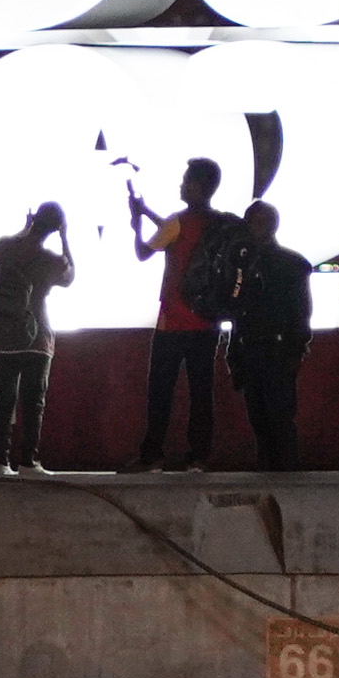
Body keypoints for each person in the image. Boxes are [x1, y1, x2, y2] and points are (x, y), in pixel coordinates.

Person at [125, 156, 228, 476]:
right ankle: (198, 458)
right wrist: (149, 213)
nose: (181, 185)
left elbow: (144, 252)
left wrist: (137, 223)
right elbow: (178, 234)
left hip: (173, 320)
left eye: (186, 181)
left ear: (198, 186)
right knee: (201, 392)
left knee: (160, 390)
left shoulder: (176, 221)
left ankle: (152, 456)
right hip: (207, 321)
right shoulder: (219, 224)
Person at [0, 203, 70, 473]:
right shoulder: (51, 261)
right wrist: (65, 238)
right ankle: (28, 460)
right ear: (56, 228)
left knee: (3, 400)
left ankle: (0, 460)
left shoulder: (4, 248)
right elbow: (69, 276)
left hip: (4, 337)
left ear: (34, 219)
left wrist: (24, 230)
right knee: (33, 402)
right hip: (37, 337)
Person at [226, 199, 316, 476]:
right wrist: (234, 352)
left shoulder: (291, 264)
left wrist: (296, 349)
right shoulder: (242, 262)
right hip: (252, 347)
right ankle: (269, 472)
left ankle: (284, 474)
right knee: (260, 418)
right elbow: (237, 311)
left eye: (253, 222)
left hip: (277, 348)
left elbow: (301, 311)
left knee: (278, 417)